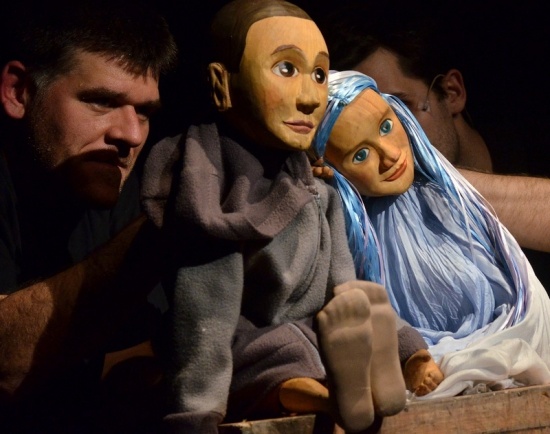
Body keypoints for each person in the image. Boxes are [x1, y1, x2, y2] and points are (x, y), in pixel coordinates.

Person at [140, 0, 412, 432]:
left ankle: (342, 386)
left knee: (325, 327)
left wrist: (194, 413)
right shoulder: (210, 189)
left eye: (319, 75)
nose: (309, 97)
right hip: (272, 342)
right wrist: (196, 413)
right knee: (308, 341)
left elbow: (340, 284)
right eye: (286, 69)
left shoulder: (314, 189)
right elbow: (208, 312)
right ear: (221, 83)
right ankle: (336, 388)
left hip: (294, 340)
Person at [311, 70, 550, 400]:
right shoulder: (356, 238)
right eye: (360, 155)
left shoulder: (446, 198)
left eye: (386, 126)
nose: (390, 156)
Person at [0, 0, 177, 431]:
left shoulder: (117, 188)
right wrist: (163, 230)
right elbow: (4, 366)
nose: (130, 135)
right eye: (101, 101)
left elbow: (132, 357)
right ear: (19, 91)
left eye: (145, 112)